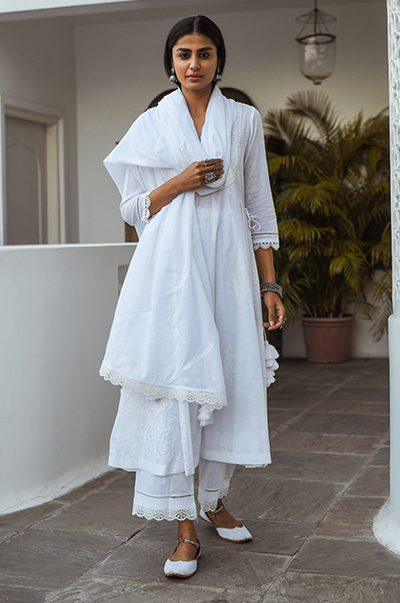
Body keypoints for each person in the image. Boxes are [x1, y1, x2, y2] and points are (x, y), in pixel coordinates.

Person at [101, 14, 285, 578]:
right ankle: (184, 528)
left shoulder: (243, 120)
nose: (194, 63)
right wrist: (180, 182)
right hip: (171, 276)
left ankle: (214, 500)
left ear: (218, 59)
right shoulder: (153, 122)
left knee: (226, 382)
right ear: (171, 61)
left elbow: (258, 206)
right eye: (184, 53)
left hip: (228, 272)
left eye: (204, 53)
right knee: (178, 389)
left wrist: (269, 284)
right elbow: (133, 208)